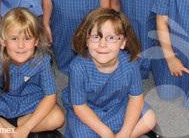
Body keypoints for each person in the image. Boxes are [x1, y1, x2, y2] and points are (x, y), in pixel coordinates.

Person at [0, 8, 65, 137]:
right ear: (2, 40)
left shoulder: (42, 59)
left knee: (57, 118)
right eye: (14, 39)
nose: (21, 46)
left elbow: (50, 96)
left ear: (36, 41)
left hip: (31, 101)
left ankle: (13, 127)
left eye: (27, 39)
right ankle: (9, 131)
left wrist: (26, 128)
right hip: (1, 100)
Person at [62, 8, 157, 138]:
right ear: (86, 40)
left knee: (150, 118)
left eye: (111, 38)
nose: (102, 44)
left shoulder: (130, 63)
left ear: (123, 43)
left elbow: (136, 99)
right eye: (96, 37)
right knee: (81, 134)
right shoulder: (77, 67)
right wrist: (104, 132)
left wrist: (125, 132)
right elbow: (80, 107)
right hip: (88, 110)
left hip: (118, 105)